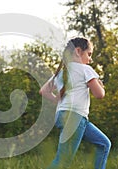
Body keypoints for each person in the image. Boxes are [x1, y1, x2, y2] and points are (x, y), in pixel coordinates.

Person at [39, 37, 111, 169]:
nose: (90, 59)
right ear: (78, 51)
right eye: (89, 54)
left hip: (68, 117)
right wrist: (100, 84)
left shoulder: (62, 72)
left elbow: (43, 91)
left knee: (104, 144)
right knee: (63, 161)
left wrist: (57, 100)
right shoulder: (85, 70)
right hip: (75, 117)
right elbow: (99, 94)